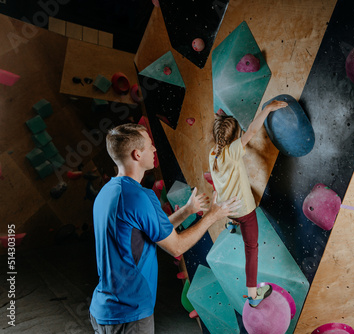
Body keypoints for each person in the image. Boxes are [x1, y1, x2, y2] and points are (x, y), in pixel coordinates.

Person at [89, 123, 241, 333]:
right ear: (137, 154)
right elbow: (176, 247)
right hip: (129, 313)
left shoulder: (108, 193)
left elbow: (151, 233)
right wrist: (213, 215)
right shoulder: (140, 197)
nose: (154, 150)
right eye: (150, 146)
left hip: (103, 310)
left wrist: (187, 211)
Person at [209, 100, 288, 307]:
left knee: (235, 215)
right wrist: (267, 109)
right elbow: (252, 130)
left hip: (227, 209)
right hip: (244, 211)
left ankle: (231, 223)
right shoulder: (234, 150)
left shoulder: (212, 155)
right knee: (251, 248)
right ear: (234, 137)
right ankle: (253, 296)